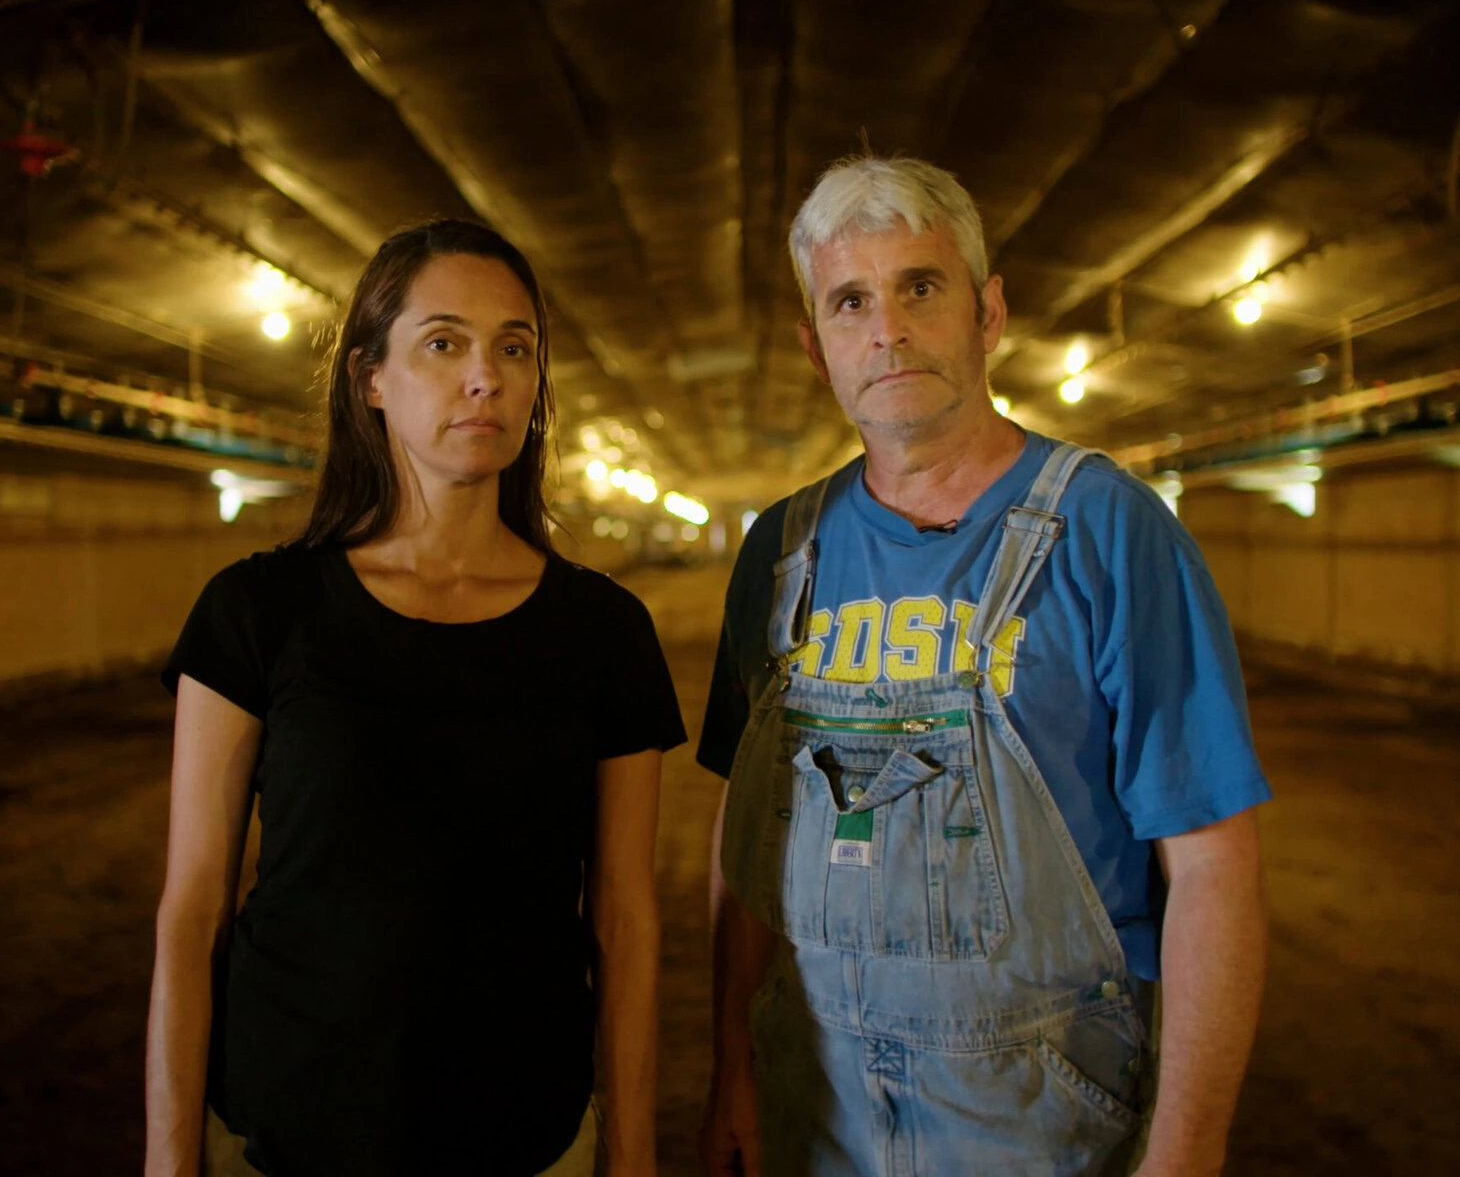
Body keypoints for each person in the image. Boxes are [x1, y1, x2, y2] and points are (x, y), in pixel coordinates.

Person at [697, 157, 1272, 1177]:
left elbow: (1215, 865)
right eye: (850, 302)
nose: (889, 330)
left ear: (988, 311)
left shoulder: (1107, 529)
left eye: (921, 286)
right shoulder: (782, 554)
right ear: (815, 343)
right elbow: (748, 849)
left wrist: (1185, 1153)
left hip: (1041, 1120)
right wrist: (730, 1066)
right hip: (816, 1108)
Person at [146, 220, 684, 1177]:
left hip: (525, 1138)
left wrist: (633, 1154)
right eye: (444, 344)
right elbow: (193, 912)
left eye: (513, 349)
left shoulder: (603, 632)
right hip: (288, 1132)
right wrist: (168, 1157)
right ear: (371, 382)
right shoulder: (258, 613)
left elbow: (624, 918)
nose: (486, 377)